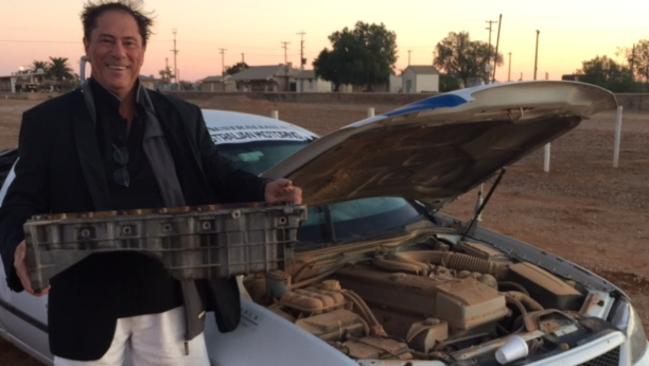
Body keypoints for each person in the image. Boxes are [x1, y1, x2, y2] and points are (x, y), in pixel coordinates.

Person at [0, 1, 302, 365]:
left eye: (129, 42)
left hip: (169, 305)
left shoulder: (180, 116)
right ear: (87, 45)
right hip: (86, 305)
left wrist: (264, 189)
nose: (119, 53)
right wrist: (18, 241)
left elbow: (217, 175)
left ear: (142, 50)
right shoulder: (48, 123)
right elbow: (21, 200)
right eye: (106, 41)